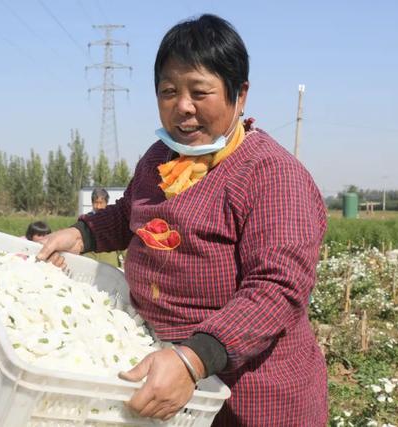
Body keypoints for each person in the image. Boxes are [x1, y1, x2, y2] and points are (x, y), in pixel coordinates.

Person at [37, 14, 328, 426]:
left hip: (251, 393)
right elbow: (129, 215)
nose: (183, 107)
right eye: (169, 92)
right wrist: (80, 234)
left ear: (239, 95)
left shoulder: (270, 174)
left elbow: (277, 288)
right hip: (166, 378)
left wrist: (193, 359)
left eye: (199, 91)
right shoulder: (160, 158)